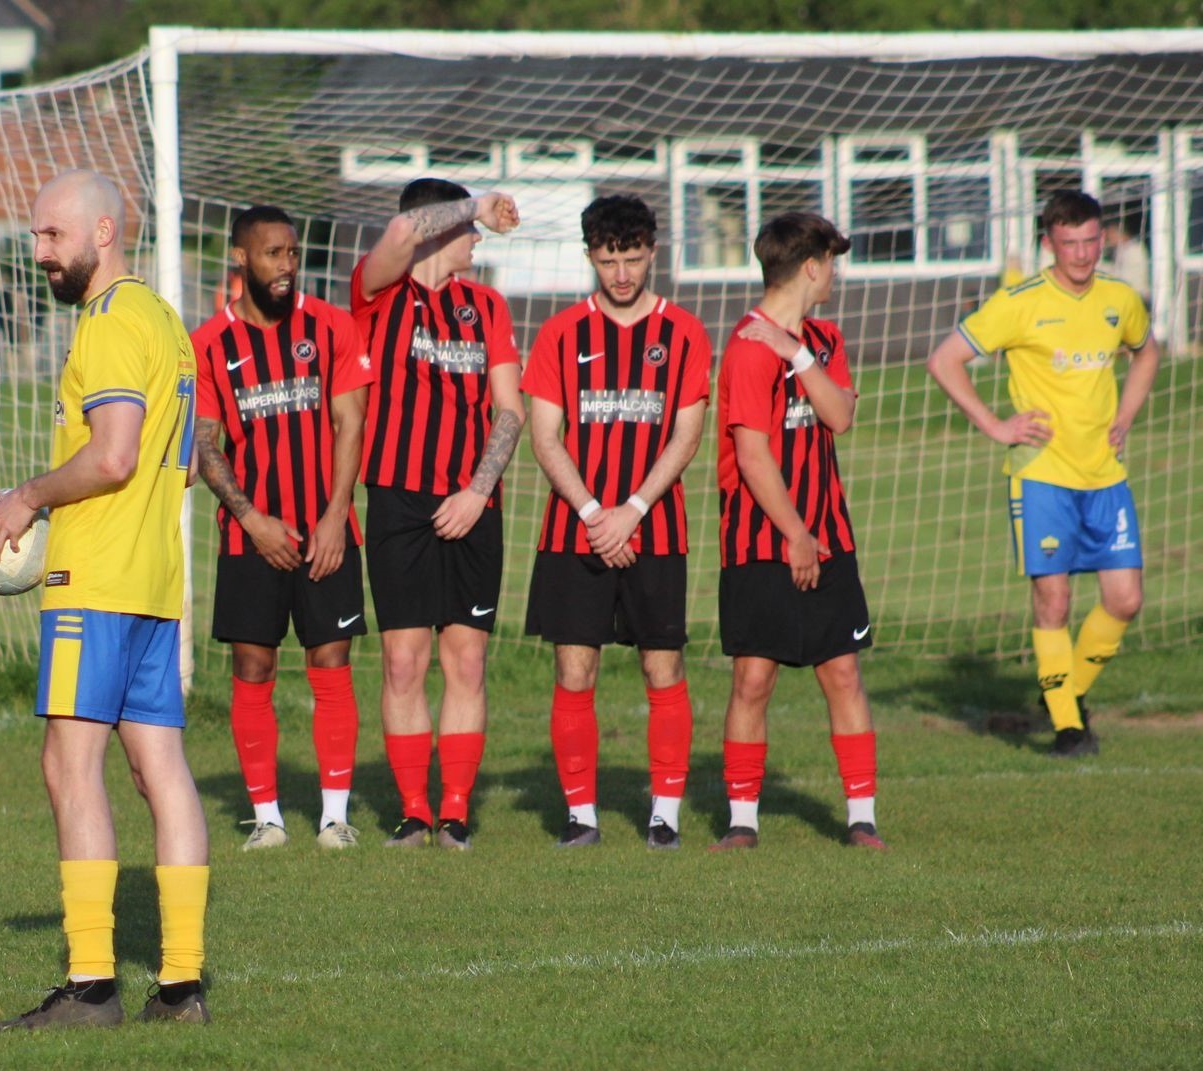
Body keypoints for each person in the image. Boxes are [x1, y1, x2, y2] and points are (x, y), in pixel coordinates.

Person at [0, 170, 211, 1027]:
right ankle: (181, 986)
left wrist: (28, 497)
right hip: (154, 583)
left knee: (68, 766)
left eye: (51, 237)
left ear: (103, 231)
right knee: (163, 773)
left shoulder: (108, 326)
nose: (40, 253)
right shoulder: (167, 324)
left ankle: (91, 984)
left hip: (95, 583)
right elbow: (181, 462)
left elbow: (112, 457)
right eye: (37, 237)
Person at [926, 191, 1159, 758]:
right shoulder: (1019, 302)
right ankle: (1067, 727)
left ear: (1102, 239)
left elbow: (1146, 352)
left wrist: (1125, 415)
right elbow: (943, 360)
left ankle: (1064, 691)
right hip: (1042, 475)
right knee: (1052, 602)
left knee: (1125, 600)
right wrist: (994, 424)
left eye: (1090, 241)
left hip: (1105, 474)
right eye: (1068, 243)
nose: (1081, 254)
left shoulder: (1119, 298)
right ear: (1047, 244)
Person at [520, 194, 710, 851]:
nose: (621, 273)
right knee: (575, 670)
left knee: (664, 669)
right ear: (590, 257)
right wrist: (596, 513)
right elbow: (546, 437)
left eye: (632, 258)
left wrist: (632, 510)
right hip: (576, 530)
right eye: (608, 260)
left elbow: (687, 436)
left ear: (652, 252)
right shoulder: (559, 334)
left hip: (655, 529)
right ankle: (581, 815)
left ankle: (664, 814)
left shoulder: (683, 331)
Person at [192, 205, 373, 851]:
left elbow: (350, 422)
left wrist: (333, 515)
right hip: (251, 536)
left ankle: (334, 817)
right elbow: (205, 443)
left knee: (332, 659)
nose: (286, 265)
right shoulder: (209, 343)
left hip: (325, 531)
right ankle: (266, 819)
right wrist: (251, 518)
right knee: (253, 664)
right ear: (240, 259)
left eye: (292, 253)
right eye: (273, 253)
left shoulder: (330, 325)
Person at [351, 178, 524, 851]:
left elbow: (509, 410)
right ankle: (413, 811)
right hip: (398, 498)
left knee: (467, 661)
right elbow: (398, 237)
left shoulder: (488, 307)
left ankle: (454, 813)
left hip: (472, 501)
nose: (478, 236)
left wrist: (478, 490)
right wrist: (476, 201)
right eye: (468, 227)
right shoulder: (379, 293)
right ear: (438, 227)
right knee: (402, 660)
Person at [712, 211, 884, 852]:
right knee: (753, 679)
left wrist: (801, 355)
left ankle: (861, 819)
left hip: (829, 538)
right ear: (811, 266)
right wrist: (795, 534)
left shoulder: (824, 339)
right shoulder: (747, 349)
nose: (834, 273)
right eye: (832, 262)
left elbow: (839, 416)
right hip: (761, 543)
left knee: (842, 675)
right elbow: (753, 457)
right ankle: (741, 823)